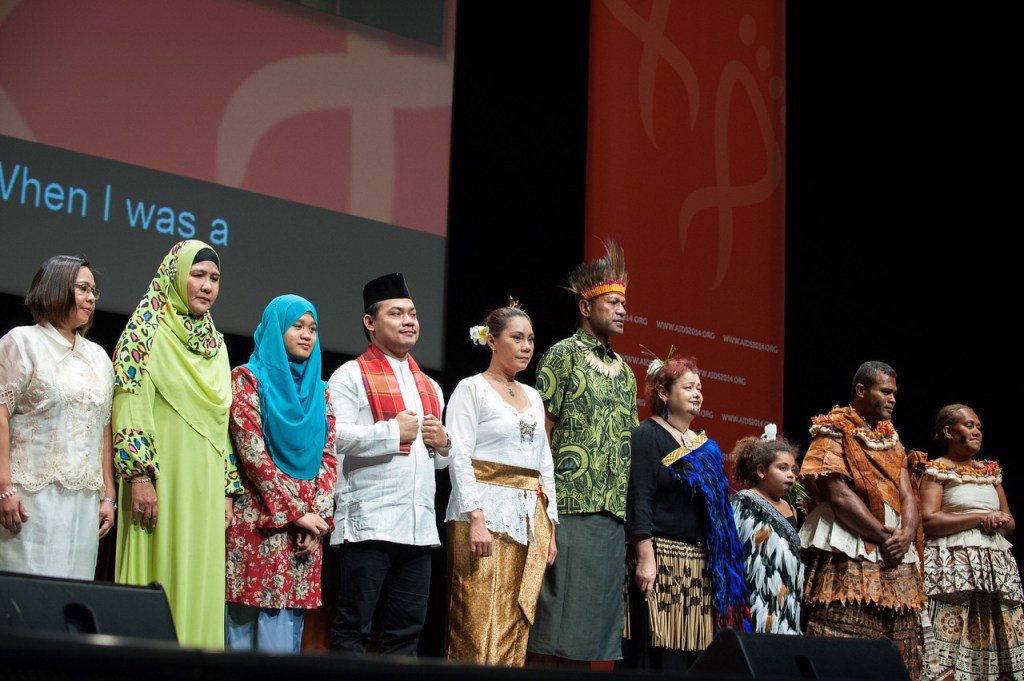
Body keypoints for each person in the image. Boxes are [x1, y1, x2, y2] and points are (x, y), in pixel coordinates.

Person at [112, 240, 240, 649]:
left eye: (214, 279)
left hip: (203, 483)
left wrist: (226, 489)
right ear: (174, 275)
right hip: (160, 479)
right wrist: (138, 476)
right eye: (197, 275)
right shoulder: (144, 332)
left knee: (198, 576)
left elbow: (222, 425)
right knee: (161, 576)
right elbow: (129, 401)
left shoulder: (216, 344)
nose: (206, 286)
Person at [327, 272, 451, 656]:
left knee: (406, 636)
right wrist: (391, 431)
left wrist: (445, 445)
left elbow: (436, 463)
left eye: (412, 313)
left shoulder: (430, 386)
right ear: (370, 322)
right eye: (396, 313)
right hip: (369, 525)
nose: (409, 321)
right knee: (353, 629)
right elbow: (333, 439)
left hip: (417, 529)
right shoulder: (350, 375)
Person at [527, 240, 639, 665]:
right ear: (586, 308)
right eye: (613, 302)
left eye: (624, 303)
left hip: (610, 517)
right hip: (569, 508)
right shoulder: (563, 356)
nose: (622, 310)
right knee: (553, 624)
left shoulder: (626, 375)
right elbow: (540, 434)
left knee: (591, 634)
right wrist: (543, 508)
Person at [444, 305, 558, 666]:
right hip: (482, 513)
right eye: (517, 338)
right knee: (475, 616)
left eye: (531, 339)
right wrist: (475, 515)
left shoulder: (534, 396)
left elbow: (544, 464)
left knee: (514, 614)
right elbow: (458, 455)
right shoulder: (471, 388)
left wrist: (550, 526)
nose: (526, 346)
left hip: (526, 519)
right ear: (491, 340)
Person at [225, 295, 337, 653]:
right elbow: (253, 455)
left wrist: (317, 518)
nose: (307, 335)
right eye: (298, 326)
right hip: (259, 520)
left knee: (286, 634)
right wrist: (296, 514)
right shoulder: (247, 379)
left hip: (304, 533)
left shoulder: (321, 392)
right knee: (244, 628)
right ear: (276, 329)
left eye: (313, 328)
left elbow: (329, 457)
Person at [624, 353, 749, 670]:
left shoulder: (704, 445)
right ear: (663, 393)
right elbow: (639, 498)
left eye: (700, 388)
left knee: (695, 658)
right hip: (662, 562)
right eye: (689, 387)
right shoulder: (646, 436)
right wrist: (645, 557)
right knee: (659, 655)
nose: (698, 394)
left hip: (698, 568)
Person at [799, 361, 925, 677]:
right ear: (861, 391)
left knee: (899, 643)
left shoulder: (892, 439)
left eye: (895, 393)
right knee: (843, 636)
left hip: (897, 549)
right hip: (850, 543)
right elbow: (837, 493)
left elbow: (907, 491)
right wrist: (883, 536)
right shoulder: (832, 430)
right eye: (886, 392)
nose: (893, 399)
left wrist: (907, 532)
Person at [0, 255, 115, 579]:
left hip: (83, 504)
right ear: (56, 288)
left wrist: (109, 494)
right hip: (30, 500)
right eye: (82, 288)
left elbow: (102, 428)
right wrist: (3, 487)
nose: (91, 297)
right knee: (25, 597)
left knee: (70, 599)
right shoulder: (22, 342)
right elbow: (1, 415)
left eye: (94, 290)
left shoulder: (98, 357)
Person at [919, 404, 1023, 680]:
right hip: (953, 569)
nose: (977, 431)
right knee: (948, 646)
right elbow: (928, 521)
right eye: (969, 425)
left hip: (994, 571)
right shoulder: (937, 471)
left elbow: (1010, 524)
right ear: (949, 432)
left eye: (978, 427)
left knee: (993, 644)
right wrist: (979, 517)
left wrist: (1000, 520)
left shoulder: (990, 472)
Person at [729, 427, 804, 635]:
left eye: (793, 470)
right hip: (753, 597)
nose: (790, 475)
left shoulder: (790, 510)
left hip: (785, 601)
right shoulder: (743, 504)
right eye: (782, 468)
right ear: (761, 471)